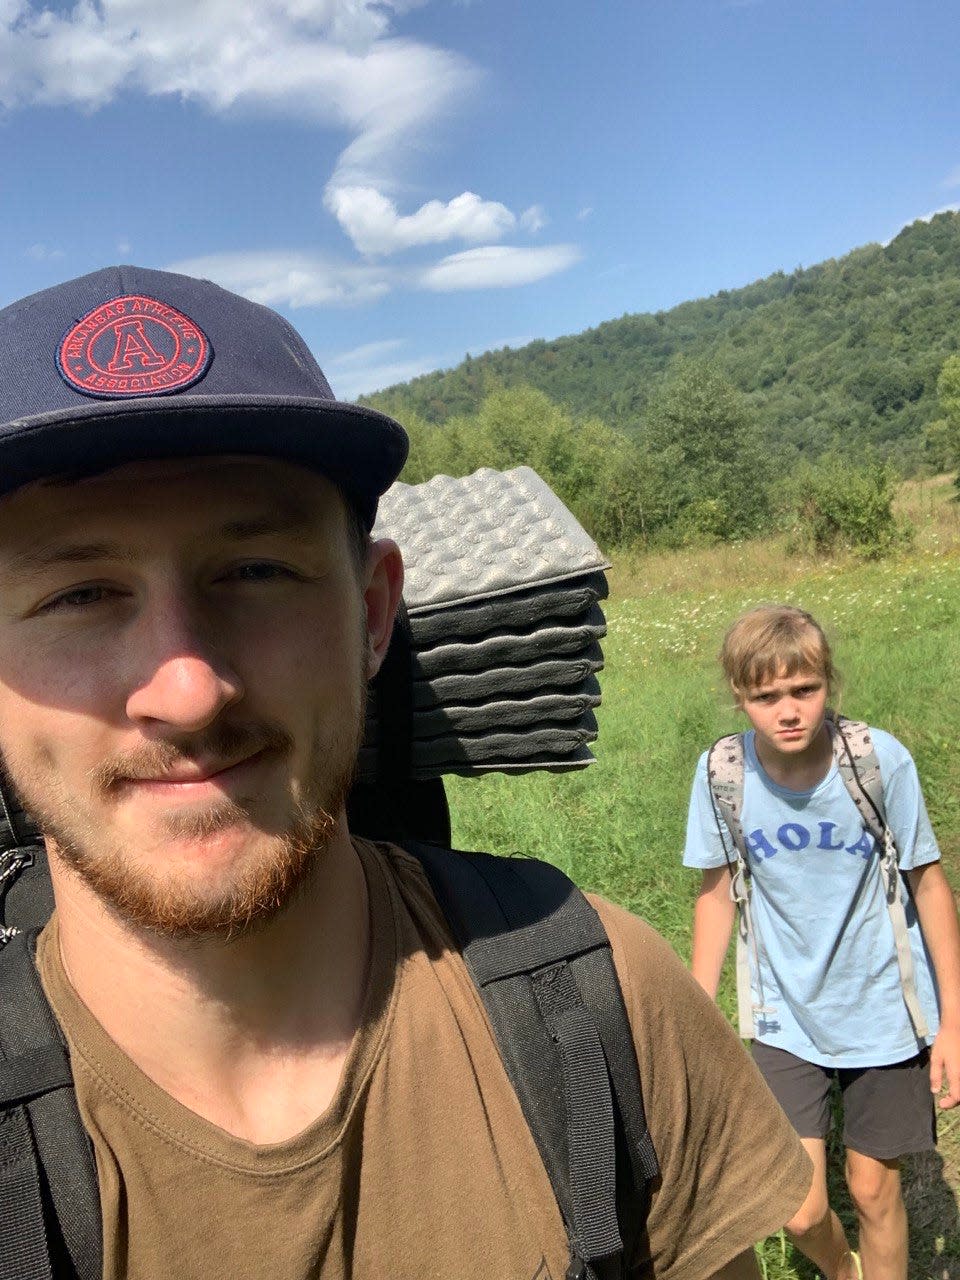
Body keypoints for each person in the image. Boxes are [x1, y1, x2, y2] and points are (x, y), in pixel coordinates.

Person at [0, 266, 813, 1279]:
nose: (187, 687)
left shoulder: (606, 1002)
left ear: (373, 612)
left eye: (256, 571)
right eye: (80, 592)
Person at [683, 603, 960, 1280]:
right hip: (784, 1014)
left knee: (873, 1188)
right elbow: (717, 896)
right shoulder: (725, 774)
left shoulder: (876, 761)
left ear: (827, 683)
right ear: (740, 698)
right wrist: (694, 1015)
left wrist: (953, 1019)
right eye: (765, 696)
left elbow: (928, 885)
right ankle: (843, 1269)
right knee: (797, 1208)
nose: (787, 711)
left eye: (803, 690)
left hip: (884, 1005)